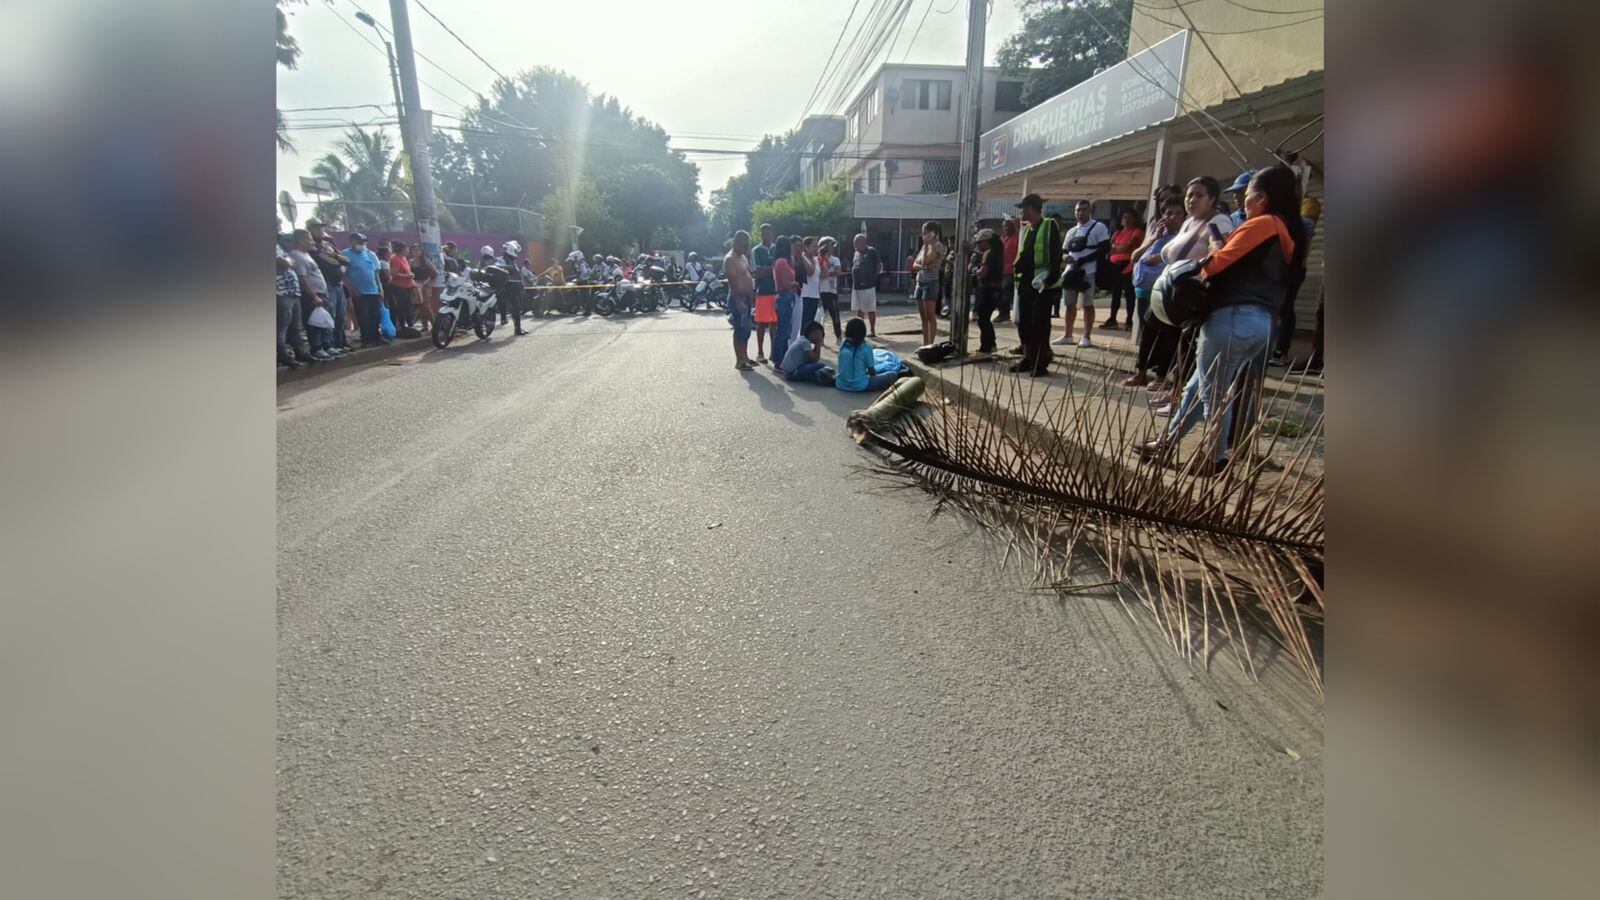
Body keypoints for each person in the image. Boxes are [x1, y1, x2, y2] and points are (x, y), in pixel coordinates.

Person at [1134, 166, 1307, 474]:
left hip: (1232, 319)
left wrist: (1196, 264)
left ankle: (1216, 459)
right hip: (1262, 324)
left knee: (1213, 396)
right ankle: (1166, 443)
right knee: (1197, 387)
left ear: (1262, 198)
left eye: (1248, 193)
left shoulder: (1261, 224)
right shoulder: (1287, 232)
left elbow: (1215, 265)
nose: (1243, 201)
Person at [1150, 175, 1237, 412]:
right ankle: (1175, 391)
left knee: (1190, 351)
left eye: (1199, 195)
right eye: (1189, 194)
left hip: (1196, 298)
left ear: (1213, 198)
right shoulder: (1189, 222)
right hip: (1176, 299)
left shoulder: (1218, 223)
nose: (1192, 199)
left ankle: (1181, 399)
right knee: (1180, 347)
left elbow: (1219, 255)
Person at [1123, 194, 1187, 387]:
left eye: (1178, 213)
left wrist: (1161, 257)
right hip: (1147, 290)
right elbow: (1135, 257)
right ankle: (1141, 372)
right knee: (1147, 331)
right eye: (1168, 213)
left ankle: (1161, 376)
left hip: (1170, 292)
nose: (1172, 217)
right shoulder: (1155, 232)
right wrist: (1152, 240)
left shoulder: (1186, 236)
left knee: (1168, 335)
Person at [1010, 194, 1063, 376]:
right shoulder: (1028, 230)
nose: (1021, 212)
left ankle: (1041, 362)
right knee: (1024, 324)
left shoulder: (1049, 226)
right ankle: (1028, 358)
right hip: (1027, 284)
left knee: (1040, 325)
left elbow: (1056, 257)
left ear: (1032, 208)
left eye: (1023, 209)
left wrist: (1047, 281)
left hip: (1043, 286)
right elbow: (1024, 255)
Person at [1055, 200, 1110, 348]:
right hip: (1071, 272)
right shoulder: (1071, 231)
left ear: (1089, 210)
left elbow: (1104, 248)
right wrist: (1066, 258)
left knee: (1087, 304)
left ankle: (1086, 336)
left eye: (1083, 210)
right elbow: (1064, 251)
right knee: (1069, 304)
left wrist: (1085, 259)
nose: (1080, 213)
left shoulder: (1099, 227)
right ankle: (1068, 334)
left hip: (1089, 271)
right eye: (1077, 210)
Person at [289, 229, 337, 361]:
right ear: (300, 240)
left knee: (324, 320)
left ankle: (327, 346)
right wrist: (314, 295)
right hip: (312, 294)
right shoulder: (296, 255)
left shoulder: (306, 254)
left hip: (321, 293)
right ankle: (317, 348)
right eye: (309, 239)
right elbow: (302, 278)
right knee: (315, 322)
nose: (312, 242)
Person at [306, 219, 351, 351]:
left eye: (322, 228)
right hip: (326, 285)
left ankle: (340, 342)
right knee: (330, 316)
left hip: (339, 283)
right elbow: (325, 262)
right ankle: (329, 345)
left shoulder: (328, 244)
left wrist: (335, 256)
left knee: (341, 316)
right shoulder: (311, 248)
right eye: (316, 228)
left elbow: (346, 260)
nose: (320, 230)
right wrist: (336, 259)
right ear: (310, 230)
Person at [835, 316, 902, 393]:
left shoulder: (844, 343)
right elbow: (872, 372)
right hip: (859, 386)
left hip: (840, 384)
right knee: (892, 375)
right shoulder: (866, 347)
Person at [342, 232, 386, 348]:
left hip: (373, 290)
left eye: (363, 241)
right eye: (359, 241)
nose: (362, 244)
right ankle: (366, 339)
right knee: (363, 316)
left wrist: (380, 289)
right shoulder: (346, 255)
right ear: (352, 241)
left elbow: (376, 273)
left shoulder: (369, 254)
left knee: (375, 316)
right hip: (359, 292)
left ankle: (376, 337)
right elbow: (343, 275)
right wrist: (352, 289)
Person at [1103, 211, 1144, 330]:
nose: (1126, 220)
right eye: (1124, 217)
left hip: (1128, 265)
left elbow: (1129, 247)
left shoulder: (1137, 232)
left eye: (1129, 217)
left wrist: (1117, 247)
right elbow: (1109, 248)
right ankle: (1112, 318)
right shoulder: (1117, 233)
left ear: (1134, 219)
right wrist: (1119, 248)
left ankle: (1129, 320)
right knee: (1115, 293)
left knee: (1129, 294)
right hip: (1114, 265)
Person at [724, 230, 756, 371]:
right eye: (745, 245)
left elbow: (749, 274)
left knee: (747, 330)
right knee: (740, 329)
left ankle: (745, 357)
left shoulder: (743, 257)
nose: (747, 248)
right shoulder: (730, 259)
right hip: (738, 298)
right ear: (736, 243)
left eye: (748, 245)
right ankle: (739, 360)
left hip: (747, 298)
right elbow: (733, 283)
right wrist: (738, 301)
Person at [276, 243, 313, 367]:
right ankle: (282, 355)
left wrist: (288, 260)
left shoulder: (277, 245)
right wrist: (288, 260)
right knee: (282, 327)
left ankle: (300, 352)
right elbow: (285, 263)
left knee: (296, 326)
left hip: (292, 291)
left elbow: (289, 261)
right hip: (281, 292)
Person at [909, 221, 946, 346]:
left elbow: (925, 263)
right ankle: (924, 344)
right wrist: (921, 264)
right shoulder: (924, 246)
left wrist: (926, 248)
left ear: (933, 233)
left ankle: (930, 344)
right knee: (923, 317)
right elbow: (914, 265)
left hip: (931, 282)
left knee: (930, 315)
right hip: (921, 281)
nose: (923, 235)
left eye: (925, 232)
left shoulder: (937, 246)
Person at [970, 228, 1004, 354]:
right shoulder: (997, 252)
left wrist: (973, 269)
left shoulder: (988, 253)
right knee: (985, 318)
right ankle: (991, 344)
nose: (978, 245)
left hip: (988, 289)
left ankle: (986, 347)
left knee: (982, 319)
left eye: (980, 243)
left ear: (987, 242)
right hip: (995, 289)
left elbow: (982, 273)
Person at [751, 224, 779, 362]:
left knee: (775, 322)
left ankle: (774, 352)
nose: (765, 236)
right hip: (762, 291)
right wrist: (772, 269)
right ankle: (760, 352)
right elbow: (757, 273)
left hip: (776, 290)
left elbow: (778, 268)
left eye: (768, 233)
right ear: (760, 235)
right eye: (763, 234)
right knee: (761, 323)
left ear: (772, 234)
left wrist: (767, 269)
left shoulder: (777, 249)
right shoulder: (756, 251)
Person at [770, 236, 798, 367]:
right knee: (783, 331)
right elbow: (786, 284)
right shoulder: (782, 262)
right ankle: (778, 360)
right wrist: (794, 283)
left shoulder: (784, 261)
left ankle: (782, 358)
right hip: (785, 297)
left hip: (786, 297)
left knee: (785, 330)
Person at [850, 233, 882, 337]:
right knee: (859, 309)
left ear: (862, 242)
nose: (854, 245)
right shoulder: (856, 253)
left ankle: (872, 330)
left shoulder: (871, 251)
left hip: (868, 286)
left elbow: (878, 266)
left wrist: (872, 278)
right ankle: (861, 330)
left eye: (855, 243)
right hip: (856, 286)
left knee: (870, 309)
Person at [388, 239, 417, 334]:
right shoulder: (395, 259)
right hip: (398, 287)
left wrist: (410, 274)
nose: (408, 251)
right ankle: (400, 326)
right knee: (401, 307)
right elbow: (393, 273)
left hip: (407, 286)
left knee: (407, 307)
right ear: (403, 249)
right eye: (407, 248)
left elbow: (406, 270)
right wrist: (407, 276)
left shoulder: (404, 259)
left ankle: (408, 324)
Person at [816, 237, 842, 340]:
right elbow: (820, 275)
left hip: (832, 291)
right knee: (820, 316)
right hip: (821, 291)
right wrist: (826, 271)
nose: (832, 248)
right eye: (830, 246)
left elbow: (837, 272)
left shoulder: (835, 259)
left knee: (835, 314)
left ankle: (839, 336)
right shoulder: (817, 260)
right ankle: (819, 337)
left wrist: (827, 272)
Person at [798, 237, 821, 338]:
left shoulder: (816, 260)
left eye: (817, 246)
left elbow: (820, 276)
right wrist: (804, 256)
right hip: (805, 295)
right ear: (806, 247)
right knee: (805, 322)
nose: (816, 248)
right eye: (814, 246)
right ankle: (802, 343)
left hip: (815, 295)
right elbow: (810, 273)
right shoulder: (802, 258)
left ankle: (807, 343)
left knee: (811, 322)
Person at [998, 217, 1018, 323]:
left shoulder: (1017, 238)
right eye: (1004, 226)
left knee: (1006, 294)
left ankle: (1004, 314)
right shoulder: (1002, 239)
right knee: (1002, 293)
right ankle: (1004, 313)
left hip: (1012, 271)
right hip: (1002, 271)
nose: (1006, 228)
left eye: (1008, 225)